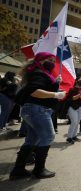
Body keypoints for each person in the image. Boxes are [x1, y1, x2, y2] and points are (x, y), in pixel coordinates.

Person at [10, 52, 66, 180]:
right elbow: (35, 92)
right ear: (40, 61)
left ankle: (18, 170)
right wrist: (56, 95)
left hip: (33, 110)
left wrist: (56, 83)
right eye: (49, 59)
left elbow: (41, 88)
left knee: (32, 139)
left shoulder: (39, 73)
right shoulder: (38, 73)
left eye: (53, 60)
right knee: (48, 136)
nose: (52, 62)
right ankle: (39, 170)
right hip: (37, 110)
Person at [67, 78, 81, 144]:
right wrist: (79, 95)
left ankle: (74, 136)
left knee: (77, 122)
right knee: (74, 122)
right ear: (76, 81)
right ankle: (69, 137)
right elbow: (72, 98)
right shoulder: (72, 89)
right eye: (80, 80)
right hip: (73, 108)